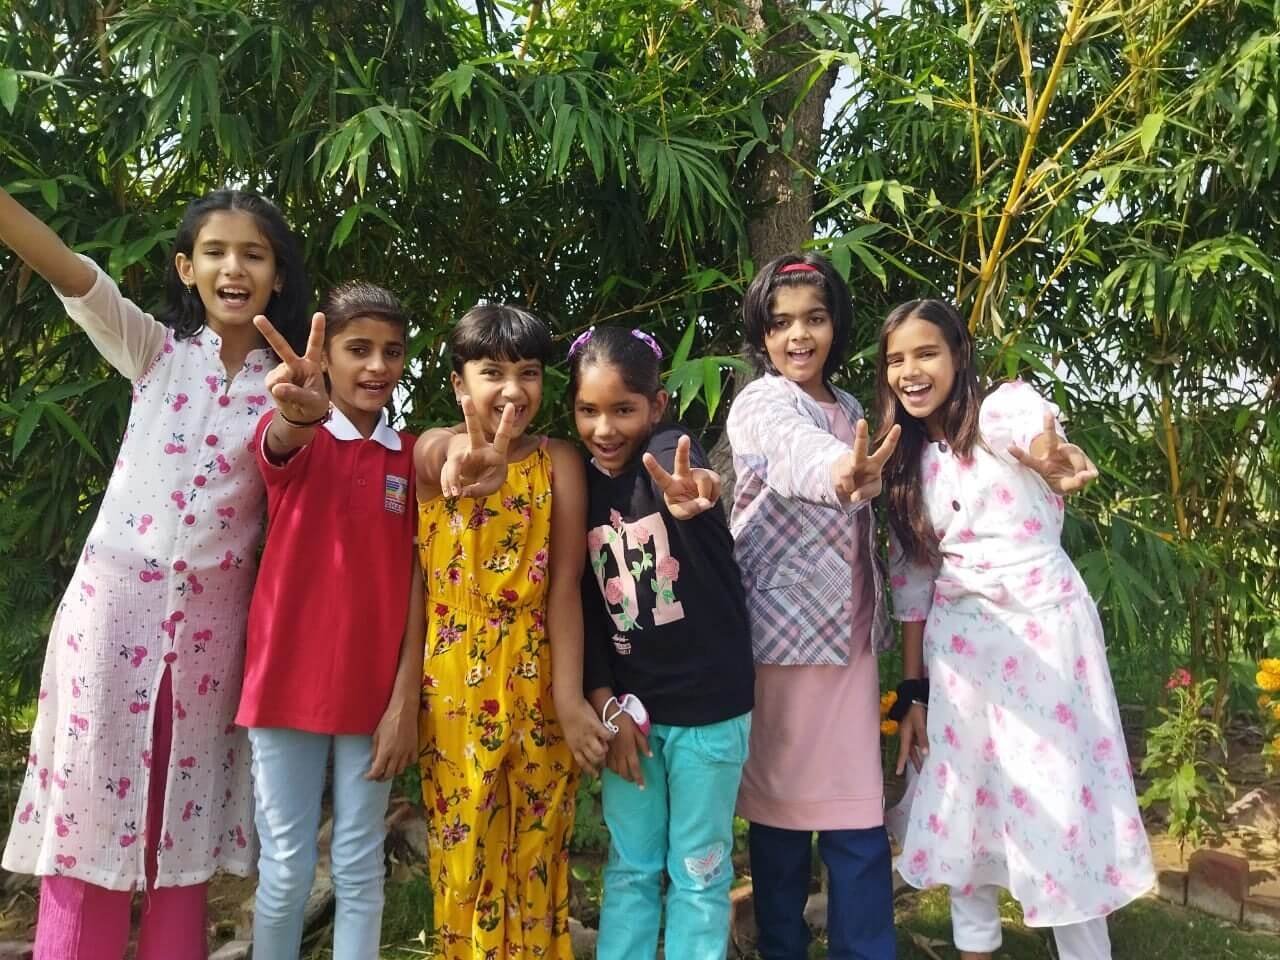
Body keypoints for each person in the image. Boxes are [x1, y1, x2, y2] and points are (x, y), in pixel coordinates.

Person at [0, 185, 309, 959]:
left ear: (277, 275)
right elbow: (67, 269)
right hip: (110, 620)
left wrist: (303, 412)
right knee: (88, 819)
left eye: (253, 254)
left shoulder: (295, 383)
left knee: (181, 830)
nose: (233, 268)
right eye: (215, 252)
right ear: (185, 267)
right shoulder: (153, 350)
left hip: (210, 639)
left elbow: (293, 452)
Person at [878, 298, 1154, 960]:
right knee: (962, 797)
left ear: (958, 355)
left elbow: (1037, 438)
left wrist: (1053, 457)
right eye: (895, 360)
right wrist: (913, 691)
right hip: (960, 648)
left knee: (1059, 799)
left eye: (926, 354)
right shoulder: (906, 461)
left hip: (1041, 636)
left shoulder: (1000, 411)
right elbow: (913, 585)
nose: (910, 372)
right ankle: (975, 948)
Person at [413, 304, 611, 959]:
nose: (512, 390)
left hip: (539, 674)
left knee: (537, 845)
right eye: (491, 373)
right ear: (458, 383)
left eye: (528, 372)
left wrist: (570, 699)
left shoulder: (561, 461)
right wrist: (457, 460)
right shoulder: (433, 449)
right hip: (454, 686)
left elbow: (565, 586)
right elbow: (438, 458)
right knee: (463, 845)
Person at [238, 283, 423, 958]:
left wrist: (403, 702)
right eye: (358, 349)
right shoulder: (299, 433)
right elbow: (280, 440)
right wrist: (299, 416)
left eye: (392, 351)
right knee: (286, 868)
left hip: (373, 700)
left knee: (359, 864)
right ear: (327, 358)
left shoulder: (413, 457)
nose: (377, 365)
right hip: (284, 685)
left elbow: (419, 583)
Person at [726, 253, 900, 959]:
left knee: (858, 813)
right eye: (781, 323)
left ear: (837, 326)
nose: (798, 335)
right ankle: (782, 947)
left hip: (850, 645)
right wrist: (841, 471)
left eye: (815, 318)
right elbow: (792, 452)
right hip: (783, 639)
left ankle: (866, 948)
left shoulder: (852, 409)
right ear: (762, 335)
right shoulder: (760, 402)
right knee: (780, 817)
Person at [569, 326, 755, 960]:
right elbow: (586, 611)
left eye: (623, 409)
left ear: (656, 406)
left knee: (700, 870)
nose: (604, 429)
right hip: (632, 719)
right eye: (588, 411)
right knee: (631, 866)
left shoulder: (667, 455)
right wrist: (606, 707)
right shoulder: (579, 488)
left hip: (709, 713)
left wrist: (694, 490)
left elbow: (689, 470)